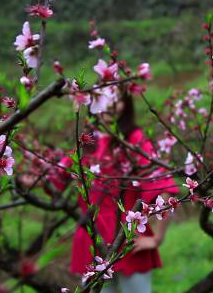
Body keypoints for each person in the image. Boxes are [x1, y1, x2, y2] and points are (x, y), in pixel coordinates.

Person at [69, 88, 179, 293]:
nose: (110, 105)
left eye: (118, 100)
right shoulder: (85, 141)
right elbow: (56, 175)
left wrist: (157, 238)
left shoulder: (134, 139)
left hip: (129, 239)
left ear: (126, 106)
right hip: (92, 239)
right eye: (104, 98)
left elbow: (163, 185)